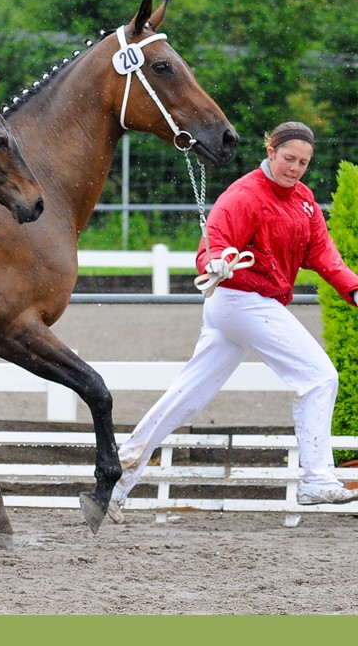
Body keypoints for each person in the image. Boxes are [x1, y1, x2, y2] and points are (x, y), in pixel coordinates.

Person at [108, 120, 358, 523]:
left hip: (244, 307)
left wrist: (353, 288)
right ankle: (315, 478)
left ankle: (114, 481)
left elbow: (323, 254)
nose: (294, 169)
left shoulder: (305, 201)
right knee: (319, 378)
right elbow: (212, 245)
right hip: (241, 301)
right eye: (288, 159)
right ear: (270, 150)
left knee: (187, 397)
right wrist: (217, 262)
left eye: (303, 163)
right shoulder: (244, 195)